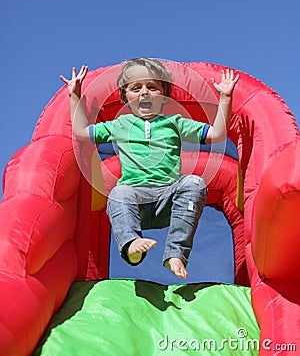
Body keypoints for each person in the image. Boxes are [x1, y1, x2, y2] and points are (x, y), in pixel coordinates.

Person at [60, 58, 239, 278]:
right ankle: (131, 244)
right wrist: (75, 96)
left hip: (169, 200)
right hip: (135, 202)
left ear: (163, 96)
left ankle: (176, 253)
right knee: (118, 192)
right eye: (136, 88)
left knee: (195, 182)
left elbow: (217, 133)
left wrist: (225, 98)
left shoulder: (175, 122)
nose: (145, 93)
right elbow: (81, 132)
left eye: (152, 87)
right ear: (125, 97)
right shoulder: (119, 125)